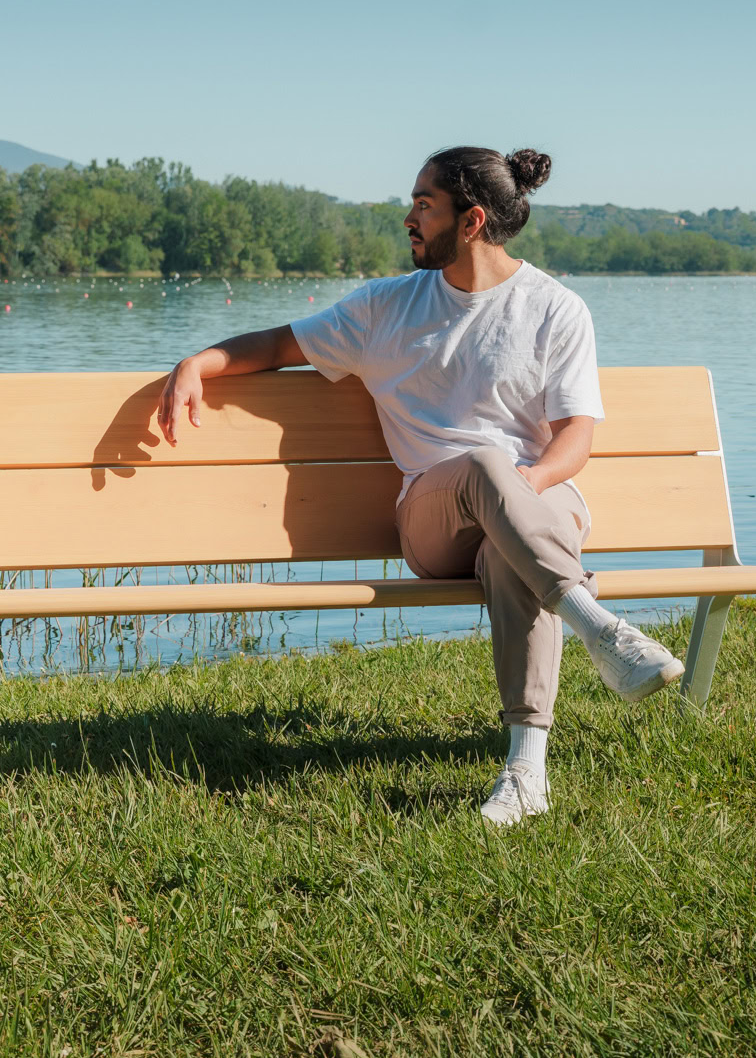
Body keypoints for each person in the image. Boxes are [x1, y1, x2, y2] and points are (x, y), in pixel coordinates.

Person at [154, 146, 683, 826]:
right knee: (485, 467)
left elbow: (575, 437)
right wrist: (198, 361)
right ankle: (600, 630)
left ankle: (526, 773)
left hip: (536, 509)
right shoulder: (383, 308)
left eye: (423, 204)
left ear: (471, 221)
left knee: (506, 543)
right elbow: (279, 346)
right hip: (436, 522)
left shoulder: (554, 309)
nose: (407, 217)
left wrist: (527, 484)